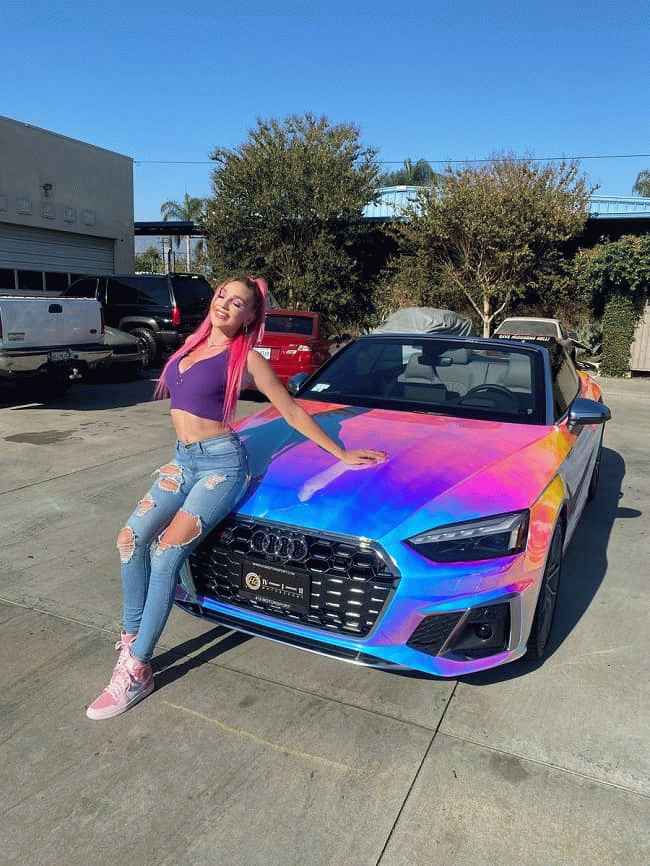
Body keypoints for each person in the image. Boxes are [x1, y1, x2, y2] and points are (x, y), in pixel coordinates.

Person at [86, 275, 386, 720]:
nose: (225, 305)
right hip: (183, 460)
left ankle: (138, 668)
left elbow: (290, 409)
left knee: (166, 555)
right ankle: (131, 639)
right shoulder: (190, 345)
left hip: (222, 467)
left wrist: (340, 452)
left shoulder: (246, 358)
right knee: (130, 540)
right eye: (222, 295)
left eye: (238, 302)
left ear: (250, 316)